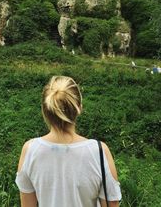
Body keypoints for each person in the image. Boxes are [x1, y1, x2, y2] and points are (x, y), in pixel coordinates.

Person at [15, 76, 122, 207]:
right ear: (79, 107)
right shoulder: (99, 151)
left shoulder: (30, 150)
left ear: (45, 110)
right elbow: (112, 204)